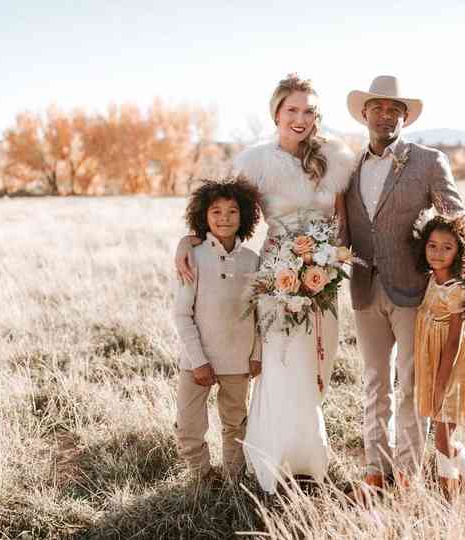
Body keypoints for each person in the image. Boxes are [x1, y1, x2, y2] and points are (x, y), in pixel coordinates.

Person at [175, 74, 356, 494]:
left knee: (317, 363)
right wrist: (189, 239)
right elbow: (223, 210)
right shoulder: (255, 162)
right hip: (278, 274)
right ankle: (271, 456)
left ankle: (310, 452)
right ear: (276, 112)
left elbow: (344, 221)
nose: (300, 118)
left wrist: (333, 261)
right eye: (291, 109)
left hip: (323, 274)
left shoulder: (335, 158)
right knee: (280, 364)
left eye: (308, 110)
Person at [340, 75, 465, 493]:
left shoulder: (427, 161)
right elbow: (342, 225)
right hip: (364, 290)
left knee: (410, 384)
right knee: (374, 381)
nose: (385, 115)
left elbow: (460, 221)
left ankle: (406, 473)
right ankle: (375, 468)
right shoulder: (348, 167)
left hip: (412, 293)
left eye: (394, 110)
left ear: (404, 117)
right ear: (364, 114)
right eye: (378, 108)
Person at [172, 179, 262, 480]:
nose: (224, 218)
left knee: (235, 421)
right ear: (203, 217)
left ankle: (235, 476)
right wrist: (198, 360)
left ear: (244, 216)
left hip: (238, 359)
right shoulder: (193, 258)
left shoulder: (252, 260)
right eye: (216, 212)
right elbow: (182, 314)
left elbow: (260, 314)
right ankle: (202, 476)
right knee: (188, 423)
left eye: (232, 212)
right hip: (198, 359)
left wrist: (257, 353)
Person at [412, 208, 465, 512]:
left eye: (447, 248)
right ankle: (454, 497)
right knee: (443, 438)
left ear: (460, 251)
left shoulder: (459, 289)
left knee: (443, 440)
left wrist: (439, 384)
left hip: (449, 367)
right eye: (432, 246)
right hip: (430, 362)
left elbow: (453, 343)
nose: (437, 253)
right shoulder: (430, 280)